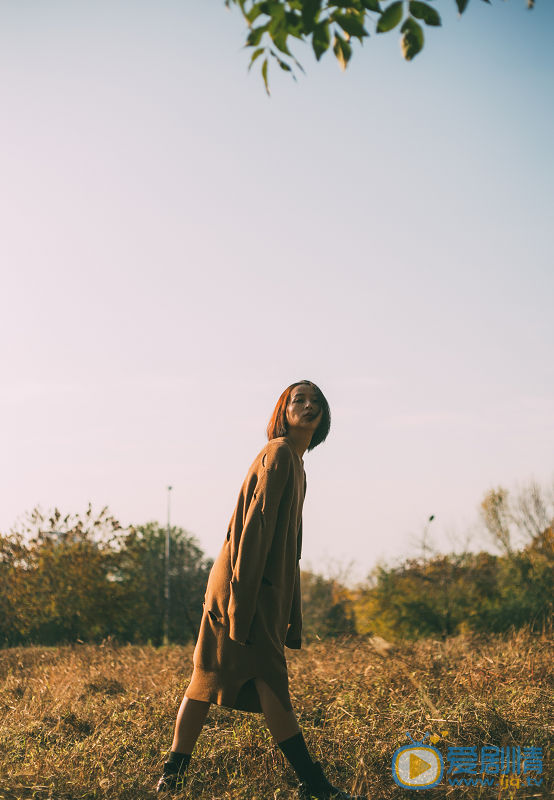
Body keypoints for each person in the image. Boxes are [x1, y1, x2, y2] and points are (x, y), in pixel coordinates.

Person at [156, 381, 365, 799]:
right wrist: (242, 602)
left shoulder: (296, 464)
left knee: (206, 677)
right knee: (266, 678)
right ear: (282, 412)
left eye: (316, 402)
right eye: (298, 401)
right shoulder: (279, 454)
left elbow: (289, 549)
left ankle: (171, 778)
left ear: (324, 417)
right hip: (241, 586)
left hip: (253, 588)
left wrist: (288, 609)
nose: (308, 406)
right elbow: (255, 532)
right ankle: (317, 786)